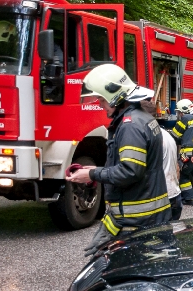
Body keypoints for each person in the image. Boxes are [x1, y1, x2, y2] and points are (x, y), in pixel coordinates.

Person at [67, 64, 171, 257]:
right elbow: (132, 166)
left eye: (101, 98)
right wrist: (97, 170)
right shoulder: (140, 117)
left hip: (139, 222)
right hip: (146, 218)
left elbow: (130, 171)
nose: (99, 104)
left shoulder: (130, 126)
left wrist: (91, 174)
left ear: (115, 95)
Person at [172, 99, 193, 205]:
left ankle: (189, 198)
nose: (179, 114)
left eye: (179, 112)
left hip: (188, 153)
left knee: (183, 174)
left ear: (182, 111)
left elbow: (175, 135)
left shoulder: (186, 118)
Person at [160, 125, 183, 220]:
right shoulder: (167, 135)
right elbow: (177, 167)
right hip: (174, 194)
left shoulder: (146, 135)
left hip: (161, 198)